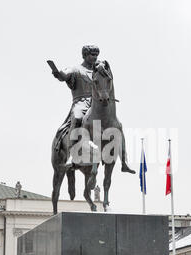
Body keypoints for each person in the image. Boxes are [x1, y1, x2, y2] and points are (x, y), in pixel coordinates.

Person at [52, 45, 135, 174]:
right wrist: (59, 74)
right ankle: (73, 153)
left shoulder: (98, 69)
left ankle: (124, 160)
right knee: (78, 118)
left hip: (97, 103)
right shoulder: (76, 69)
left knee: (117, 124)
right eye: (92, 55)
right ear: (84, 55)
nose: (95, 57)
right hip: (80, 103)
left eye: (96, 55)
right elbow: (64, 75)